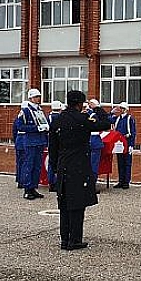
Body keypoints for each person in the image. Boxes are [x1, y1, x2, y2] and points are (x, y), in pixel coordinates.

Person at [49, 90, 111, 250]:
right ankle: (74, 240)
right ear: (80, 104)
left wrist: (55, 167)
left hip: (63, 165)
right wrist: (97, 108)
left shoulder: (58, 119)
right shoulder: (83, 119)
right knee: (77, 204)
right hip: (78, 166)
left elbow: (52, 147)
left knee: (64, 204)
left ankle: (64, 238)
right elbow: (106, 124)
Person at [14, 88, 49, 200]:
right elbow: (20, 127)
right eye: (36, 96)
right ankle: (27, 189)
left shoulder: (40, 110)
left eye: (39, 96)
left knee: (37, 166)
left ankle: (33, 187)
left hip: (40, 141)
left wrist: (46, 127)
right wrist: (36, 128)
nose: (38, 98)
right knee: (29, 165)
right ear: (30, 98)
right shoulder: (25, 111)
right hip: (30, 141)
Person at [110, 102, 136, 189]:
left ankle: (126, 182)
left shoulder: (129, 119)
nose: (119, 110)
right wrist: (112, 112)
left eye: (121, 108)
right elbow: (108, 120)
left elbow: (133, 132)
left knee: (127, 163)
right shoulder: (117, 118)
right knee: (120, 162)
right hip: (119, 144)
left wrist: (131, 145)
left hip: (127, 143)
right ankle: (121, 181)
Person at [86, 99, 106, 190]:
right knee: (93, 165)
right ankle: (91, 185)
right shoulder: (95, 115)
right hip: (94, 142)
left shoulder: (84, 115)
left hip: (87, 141)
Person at [46, 100, 63, 191]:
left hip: (50, 141)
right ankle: (56, 182)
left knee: (51, 162)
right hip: (58, 142)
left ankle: (50, 181)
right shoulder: (60, 117)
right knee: (57, 162)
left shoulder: (48, 116)